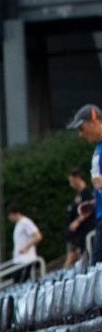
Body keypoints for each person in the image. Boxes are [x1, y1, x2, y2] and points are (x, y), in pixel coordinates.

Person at [67, 103, 102, 265]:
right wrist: (94, 203)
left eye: (82, 128)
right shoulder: (98, 148)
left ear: (94, 122)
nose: (80, 134)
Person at [65, 167, 94, 269]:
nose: (71, 184)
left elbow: (90, 207)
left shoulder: (86, 192)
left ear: (77, 178)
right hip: (79, 236)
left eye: (71, 181)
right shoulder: (78, 195)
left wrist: (77, 221)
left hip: (87, 230)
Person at [8, 203, 43, 281]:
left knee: (21, 282)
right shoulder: (18, 224)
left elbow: (38, 236)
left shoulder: (25, 222)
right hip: (19, 259)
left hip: (26, 259)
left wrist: (26, 247)